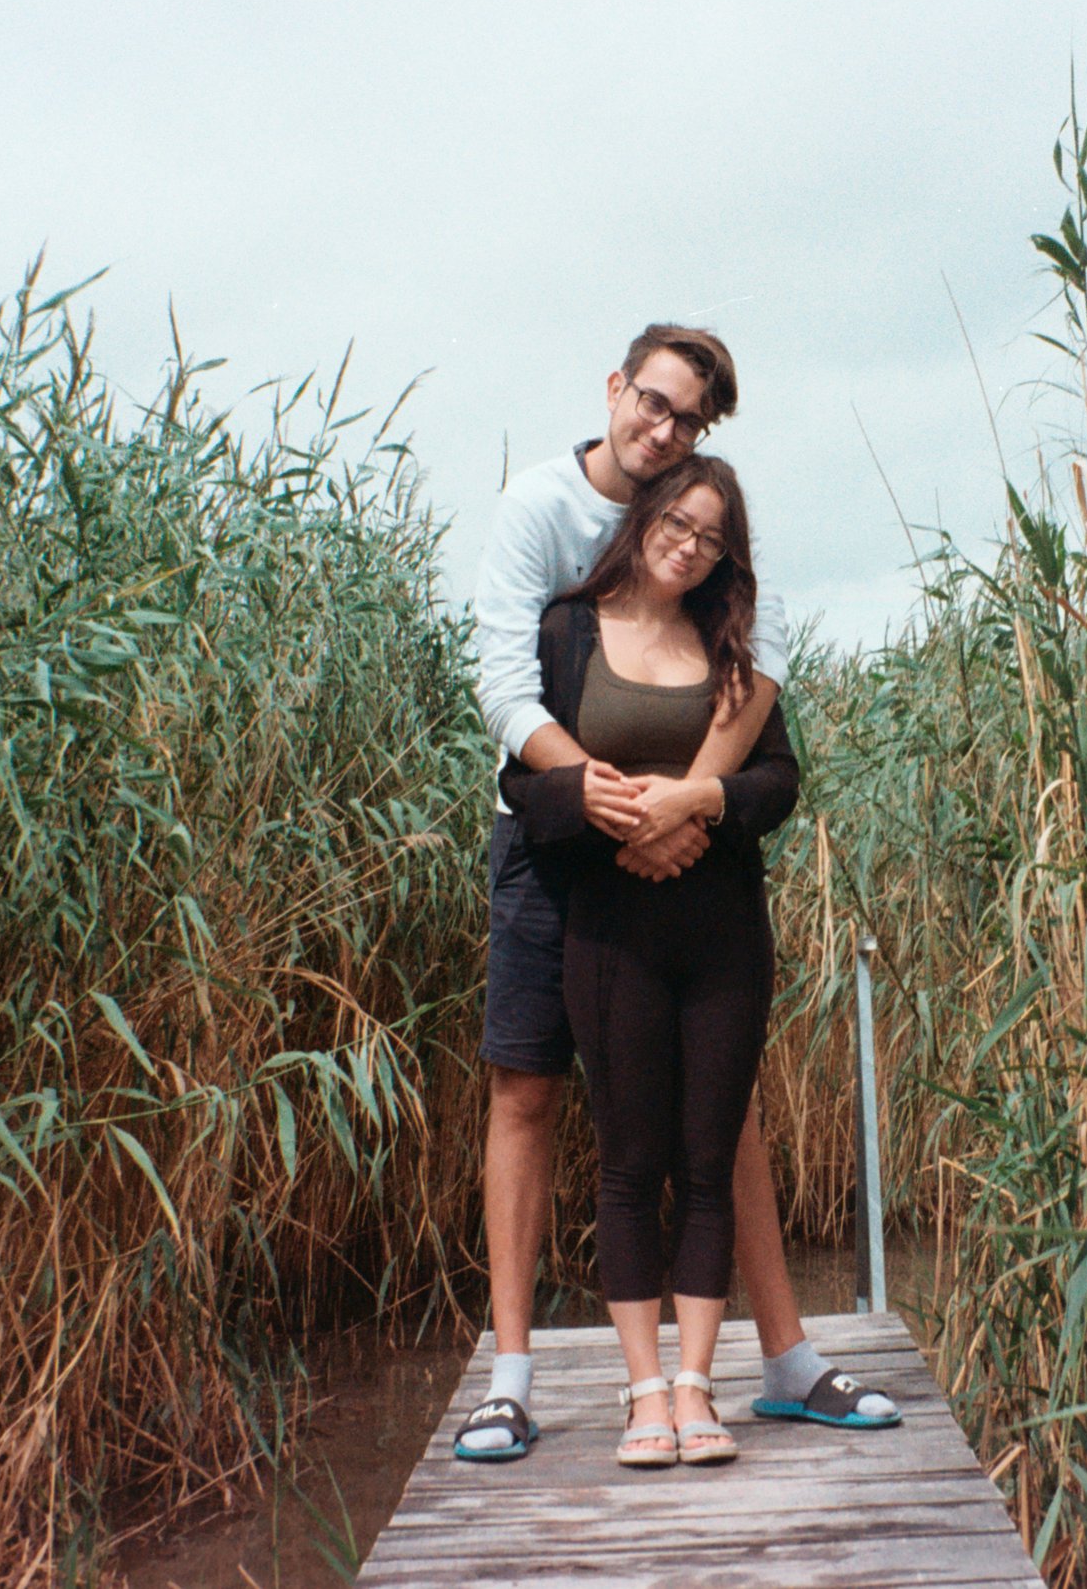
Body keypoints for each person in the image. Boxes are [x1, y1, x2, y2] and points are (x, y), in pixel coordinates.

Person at [451, 325, 899, 1465]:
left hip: (684, 855)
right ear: (615, 388)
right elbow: (504, 688)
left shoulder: (703, 511)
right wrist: (608, 805)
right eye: (652, 403)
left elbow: (767, 648)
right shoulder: (541, 507)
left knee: (723, 1103)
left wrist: (687, 806)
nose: (663, 429)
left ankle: (784, 1357)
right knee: (525, 1087)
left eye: (687, 417)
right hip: (554, 836)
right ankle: (511, 1377)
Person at [497, 457, 792, 1465]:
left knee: (707, 1162)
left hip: (722, 929)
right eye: (678, 523)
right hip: (609, 929)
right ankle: (644, 1396)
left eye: (712, 537)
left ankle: (699, 1387)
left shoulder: (731, 646)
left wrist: (698, 803)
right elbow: (521, 787)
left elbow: (778, 778)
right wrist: (607, 811)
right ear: (643, 517)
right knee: (628, 1165)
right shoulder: (568, 631)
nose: (689, 546)